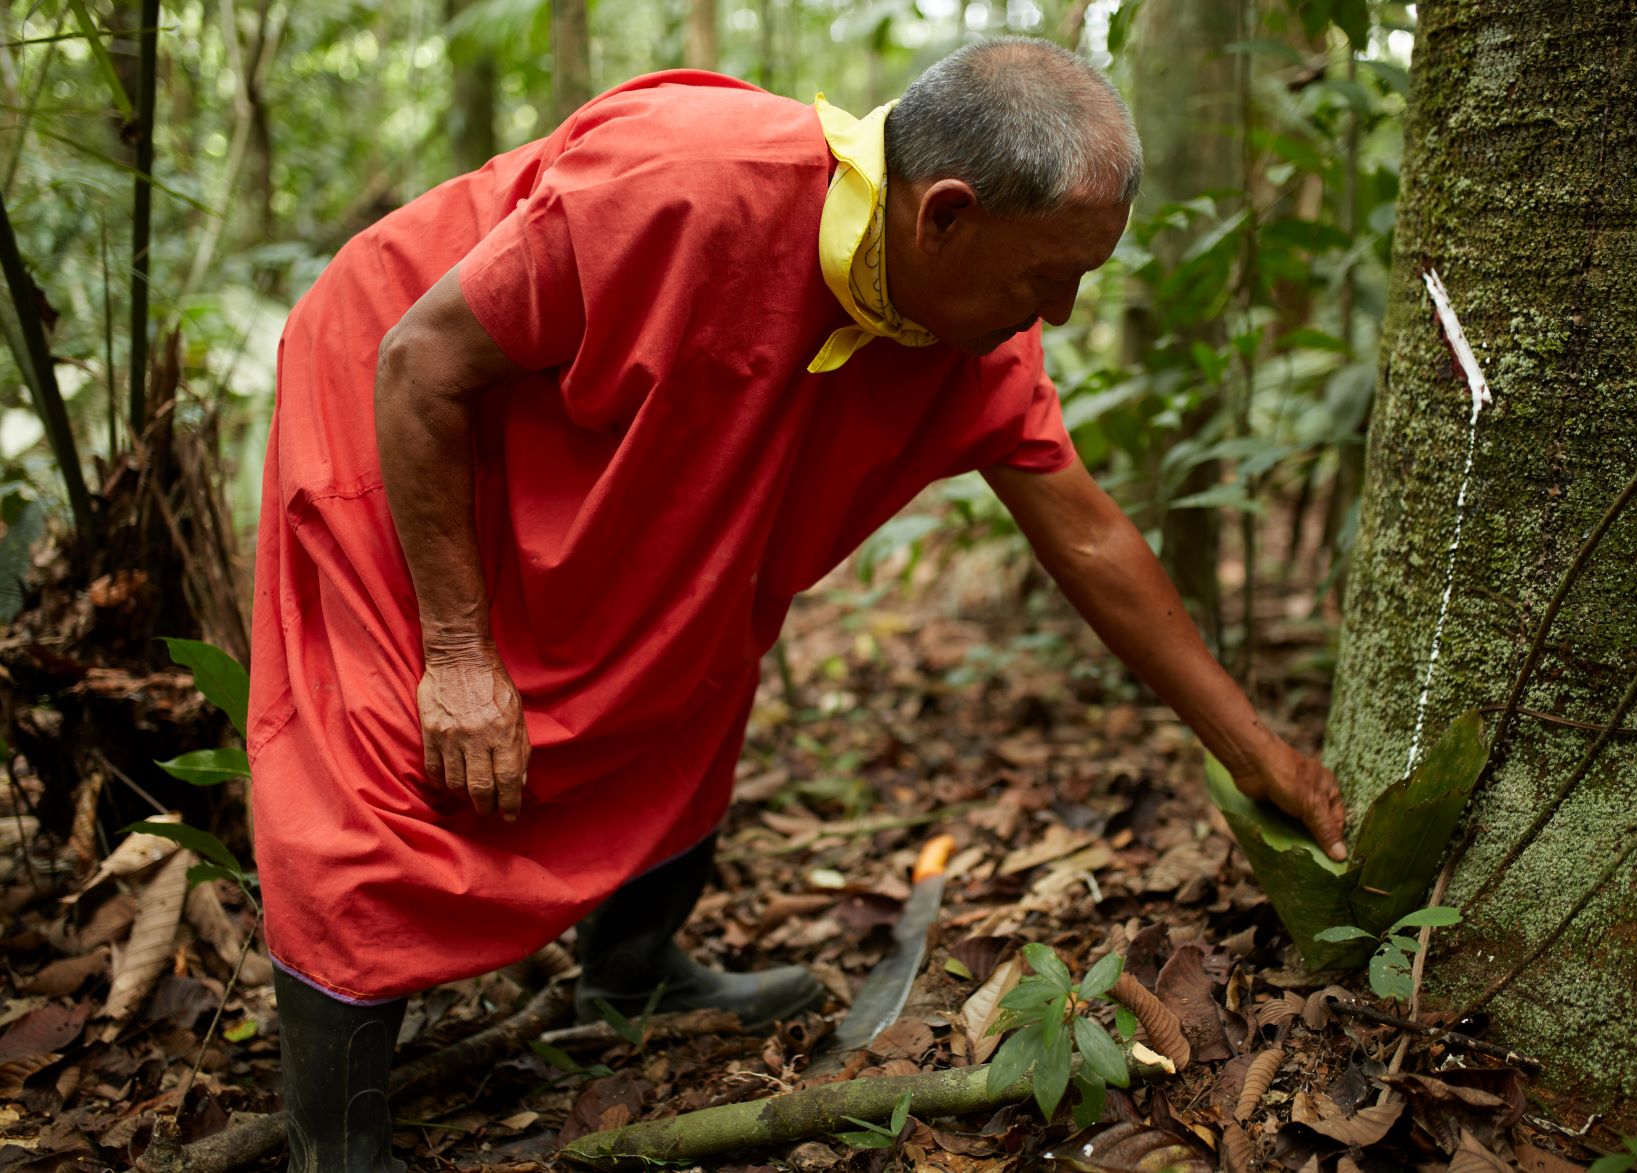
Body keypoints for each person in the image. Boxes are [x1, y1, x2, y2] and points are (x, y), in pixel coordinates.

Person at [249, 36, 1347, 1172]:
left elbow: (1086, 534)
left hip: (594, 439)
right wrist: (463, 652)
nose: (1057, 316)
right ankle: (335, 1140)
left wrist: (1253, 747)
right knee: (379, 745)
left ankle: (632, 973)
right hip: (403, 392)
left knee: (690, 659)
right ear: (942, 218)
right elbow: (423, 360)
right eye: (1044, 277)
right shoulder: (681, 189)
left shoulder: (972, 343)